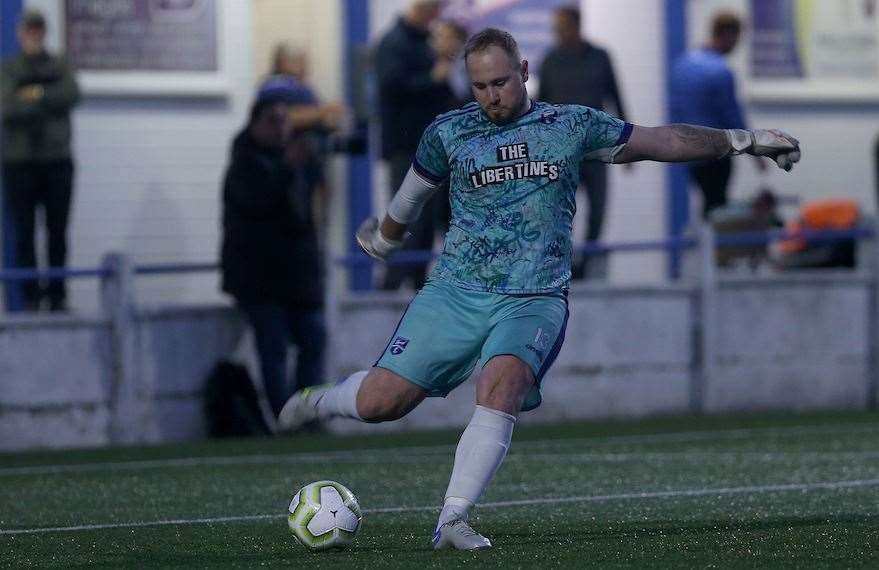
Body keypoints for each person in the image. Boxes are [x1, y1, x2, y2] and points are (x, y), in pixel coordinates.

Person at [279, 28, 800, 550]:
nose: (491, 96)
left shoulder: (569, 125)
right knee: (380, 404)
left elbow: (661, 141)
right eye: (479, 86)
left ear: (524, 71)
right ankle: (320, 401)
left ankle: (453, 519)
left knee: (500, 385)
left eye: (500, 82)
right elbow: (412, 196)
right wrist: (386, 240)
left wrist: (743, 139)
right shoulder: (448, 133)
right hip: (455, 293)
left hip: (534, 298)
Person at [220, 80, 327, 420]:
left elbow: (307, 217)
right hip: (260, 277)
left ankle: (306, 413)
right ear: (255, 124)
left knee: (314, 339)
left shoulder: (295, 161)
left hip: (297, 275)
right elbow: (260, 208)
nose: (281, 128)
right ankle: (286, 418)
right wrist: (289, 170)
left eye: (285, 121)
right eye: (273, 121)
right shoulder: (245, 163)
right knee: (274, 348)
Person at [538, 6, 629, 280]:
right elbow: (541, 106)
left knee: (598, 210)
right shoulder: (550, 60)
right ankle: (562, 264)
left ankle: (586, 266)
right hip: (562, 152)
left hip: (596, 148)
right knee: (560, 209)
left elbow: (616, 96)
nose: (557, 33)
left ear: (576, 26)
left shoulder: (600, 57)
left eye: (561, 27)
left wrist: (628, 142)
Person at [1, 10, 80, 312]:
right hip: (19, 163)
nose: (34, 35)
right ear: (20, 33)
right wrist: (47, 97)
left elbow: (72, 94)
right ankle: (31, 297)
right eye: (29, 30)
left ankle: (58, 295)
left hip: (57, 162)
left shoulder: (59, 64)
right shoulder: (7, 68)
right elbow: (8, 107)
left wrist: (32, 93)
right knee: (24, 234)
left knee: (57, 233)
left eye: (39, 30)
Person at [375, 0, 454, 290]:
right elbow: (392, 87)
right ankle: (390, 293)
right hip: (406, 148)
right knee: (407, 223)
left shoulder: (426, 44)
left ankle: (416, 288)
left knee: (425, 226)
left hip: (429, 149)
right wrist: (432, 79)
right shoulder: (394, 44)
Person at [671, 12, 764, 219]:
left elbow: (675, 108)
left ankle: (705, 246)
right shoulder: (720, 71)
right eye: (737, 39)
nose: (737, 45)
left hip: (687, 152)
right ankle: (712, 249)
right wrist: (755, 150)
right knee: (717, 207)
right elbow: (732, 116)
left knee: (707, 203)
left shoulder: (683, 64)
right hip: (715, 152)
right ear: (728, 34)